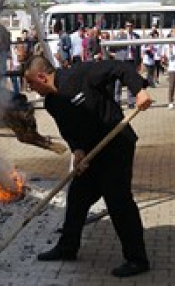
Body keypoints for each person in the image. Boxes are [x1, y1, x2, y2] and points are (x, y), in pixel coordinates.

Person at [23, 55, 152, 278]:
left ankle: (137, 259)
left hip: (115, 145)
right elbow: (69, 130)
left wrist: (138, 90)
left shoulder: (80, 74)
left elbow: (118, 67)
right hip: (92, 153)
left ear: (42, 77)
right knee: (77, 198)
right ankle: (68, 248)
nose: (31, 88)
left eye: (32, 83)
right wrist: (77, 150)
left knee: (118, 201)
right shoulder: (52, 103)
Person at [113, 21, 141, 108]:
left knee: (131, 81)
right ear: (125, 27)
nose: (129, 27)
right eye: (127, 26)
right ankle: (117, 100)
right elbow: (113, 46)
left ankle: (131, 101)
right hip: (122, 60)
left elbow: (138, 50)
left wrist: (139, 62)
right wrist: (118, 36)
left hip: (131, 60)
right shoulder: (120, 35)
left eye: (131, 26)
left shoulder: (136, 36)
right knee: (118, 81)